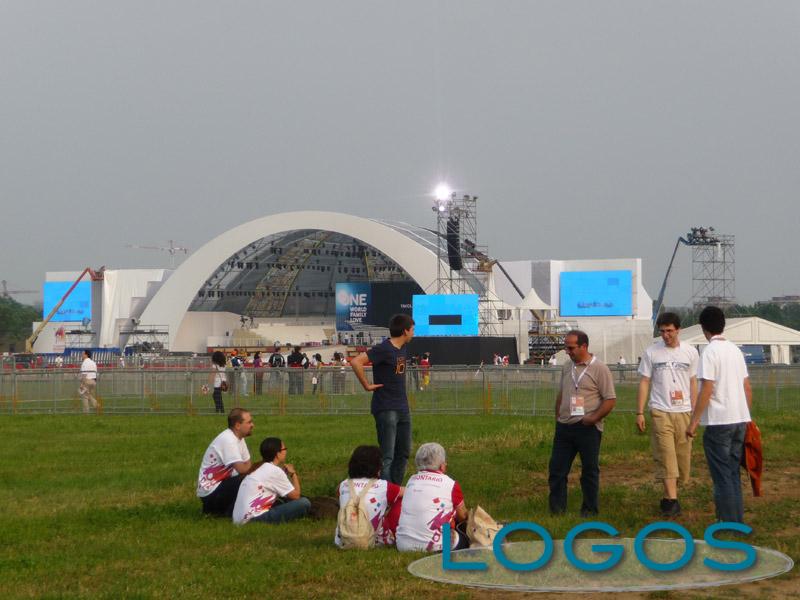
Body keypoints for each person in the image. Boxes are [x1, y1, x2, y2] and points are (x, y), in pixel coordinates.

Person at [686, 306, 752, 523]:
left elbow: (707, 388)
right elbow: (746, 386)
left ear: (703, 328)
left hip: (718, 422)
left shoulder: (709, 352)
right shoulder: (735, 350)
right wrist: (747, 416)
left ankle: (727, 522)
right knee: (733, 472)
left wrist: (694, 421)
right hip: (739, 420)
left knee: (721, 475)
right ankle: (737, 519)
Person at [636, 312, 699, 517]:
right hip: (660, 410)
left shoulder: (690, 352)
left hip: (684, 411)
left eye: (669, 331)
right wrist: (640, 412)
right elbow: (645, 381)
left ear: (678, 330)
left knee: (682, 458)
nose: (666, 335)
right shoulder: (652, 352)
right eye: (662, 331)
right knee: (666, 454)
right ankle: (672, 502)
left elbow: (693, 382)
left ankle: (668, 496)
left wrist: (695, 415)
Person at [548, 330, 616, 517]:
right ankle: (557, 510)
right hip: (564, 427)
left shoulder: (599, 369)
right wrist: (558, 417)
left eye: (571, 347)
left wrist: (593, 418)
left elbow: (610, 399)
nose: (567, 351)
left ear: (584, 346)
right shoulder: (566, 367)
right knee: (557, 470)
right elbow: (562, 394)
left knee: (589, 470)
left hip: (588, 428)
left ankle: (589, 509)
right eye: (566, 347)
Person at [351, 314, 414, 484]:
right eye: (412, 329)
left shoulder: (402, 348)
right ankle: (384, 493)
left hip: (402, 408)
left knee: (404, 452)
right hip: (386, 408)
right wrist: (366, 385)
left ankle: (395, 490)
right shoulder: (384, 349)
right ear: (405, 331)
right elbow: (356, 362)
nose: (413, 333)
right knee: (388, 456)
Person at [396, 443, 469, 552]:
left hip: (403, 545)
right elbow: (463, 517)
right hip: (436, 546)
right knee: (466, 538)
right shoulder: (451, 484)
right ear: (442, 466)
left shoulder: (411, 481)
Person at [334, 445, 404, 547]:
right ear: (377, 467)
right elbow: (409, 492)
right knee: (400, 498)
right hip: (372, 540)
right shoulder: (384, 486)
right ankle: (394, 535)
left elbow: (337, 492)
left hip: (343, 540)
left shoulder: (343, 485)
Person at [232, 437, 311, 524]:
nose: (286, 451)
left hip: (239, 520)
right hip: (254, 520)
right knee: (304, 503)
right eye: (284, 449)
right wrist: (293, 474)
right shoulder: (274, 470)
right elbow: (296, 496)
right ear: (277, 454)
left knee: (281, 501)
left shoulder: (258, 468)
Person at [196, 408, 256, 516]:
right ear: (238, 425)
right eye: (249, 422)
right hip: (211, 492)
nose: (253, 425)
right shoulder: (228, 440)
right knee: (248, 480)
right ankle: (227, 512)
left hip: (222, 484)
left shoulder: (239, 438)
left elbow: (248, 464)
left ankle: (230, 510)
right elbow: (242, 469)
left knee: (251, 478)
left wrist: (249, 469)